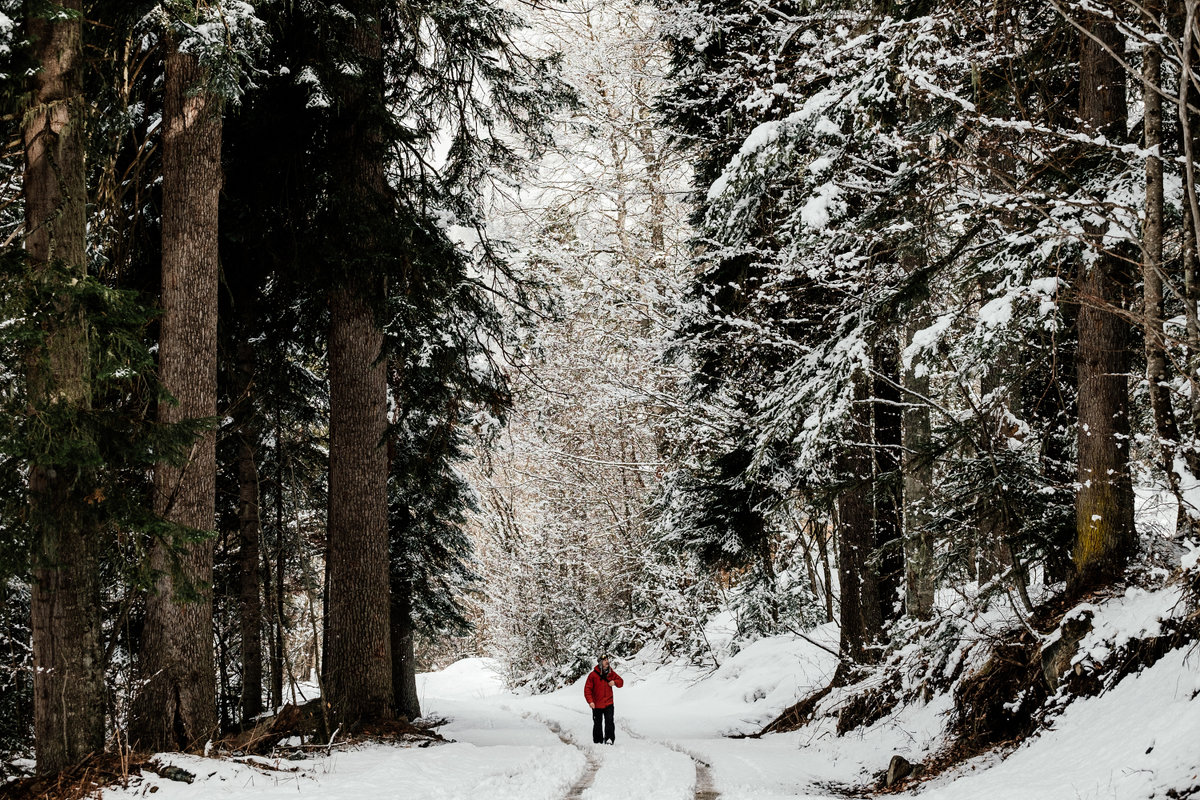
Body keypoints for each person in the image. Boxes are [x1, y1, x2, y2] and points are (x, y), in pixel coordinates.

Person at [584, 654, 624, 744]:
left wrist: (615, 682)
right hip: (597, 704)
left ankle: (609, 739)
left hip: (609, 703)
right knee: (597, 724)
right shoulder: (593, 675)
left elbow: (621, 682)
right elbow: (587, 689)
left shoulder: (611, 672)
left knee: (609, 722)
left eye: (607, 659)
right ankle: (598, 741)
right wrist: (590, 701)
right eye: (605, 660)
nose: (607, 661)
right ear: (600, 662)